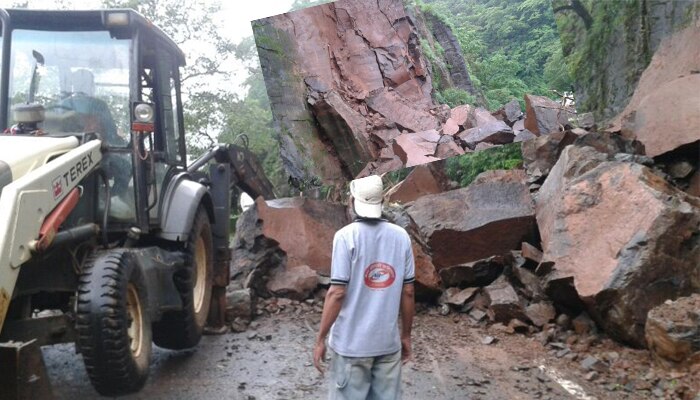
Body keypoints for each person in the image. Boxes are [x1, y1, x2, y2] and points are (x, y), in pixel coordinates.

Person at [313, 174, 415, 400]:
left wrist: (320, 338)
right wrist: (406, 336)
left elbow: (337, 292)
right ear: (381, 203)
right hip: (387, 346)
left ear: (353, 202)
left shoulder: (345, 237)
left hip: (351, 347)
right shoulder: (402, 237)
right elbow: (408, 292)